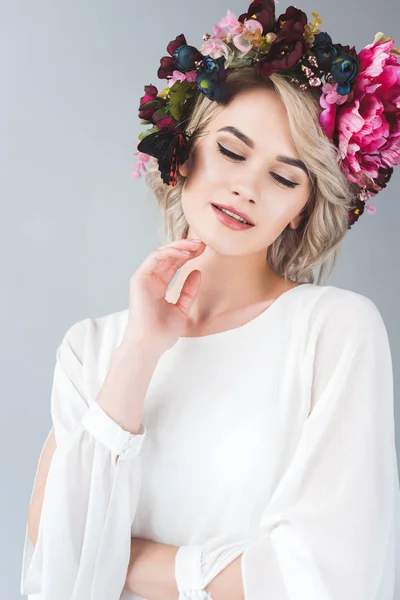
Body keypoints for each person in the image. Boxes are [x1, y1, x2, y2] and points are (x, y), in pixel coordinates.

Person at [21, 2, 400, 599]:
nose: (247, 187)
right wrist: (142, 350)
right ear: (182, 154)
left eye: (284, 176)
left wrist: (115, 558)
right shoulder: (91, 350)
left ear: (303, 208)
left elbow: (326, 577)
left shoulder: (333, 332)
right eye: (231, 150)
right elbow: (53, 580)